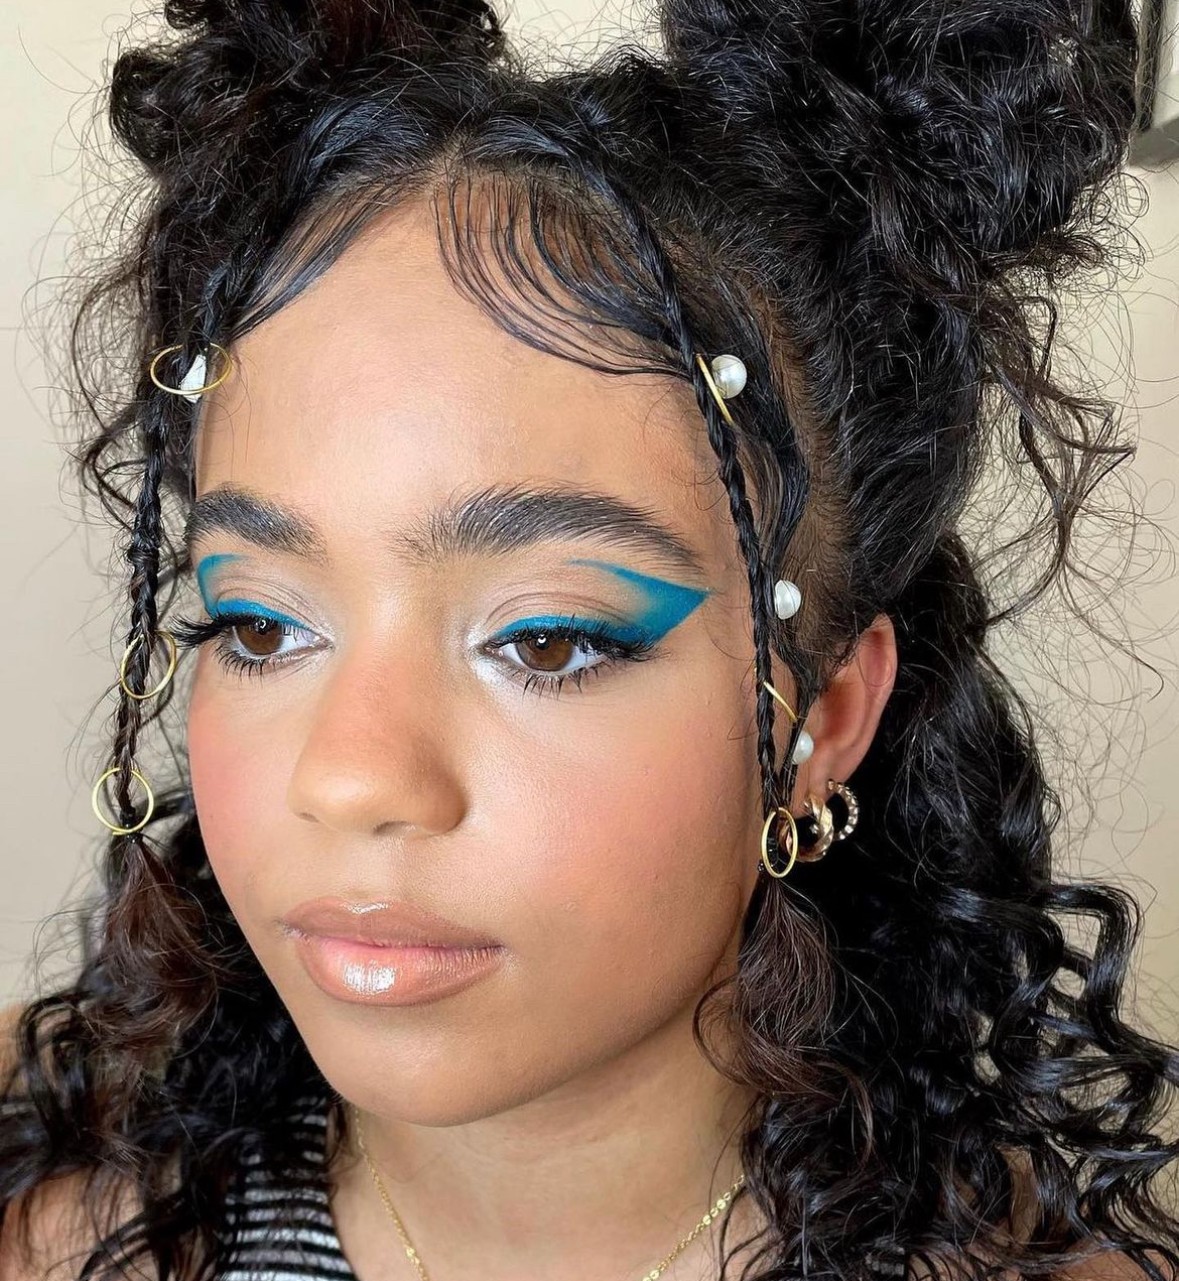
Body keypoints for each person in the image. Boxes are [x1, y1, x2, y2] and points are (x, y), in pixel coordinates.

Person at [2, 0, 1178, 1277]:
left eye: (549, 641)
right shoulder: (65, 1237)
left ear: (823, 722)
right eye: (260, 624)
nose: (348, 778)